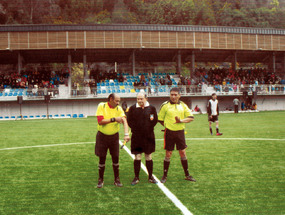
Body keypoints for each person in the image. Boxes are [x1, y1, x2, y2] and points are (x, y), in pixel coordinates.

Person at [158, 87, 196, 183]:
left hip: (180, 132)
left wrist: (181, 121)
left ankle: (187, 175)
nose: (173, 96)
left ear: (179, 95)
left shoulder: (183, 105)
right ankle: (164, 175)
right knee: (168, 153)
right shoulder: (165, 105)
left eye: (175, 95)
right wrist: (167, 126)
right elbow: (160, 119)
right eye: (172, 94)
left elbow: (191, 117)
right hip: (169, 132)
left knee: (182, 152)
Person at [95, 93, 130, 188]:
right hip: (102, 137)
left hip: (114, 137)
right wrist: (114, 119)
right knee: (102, 158)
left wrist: (126, 134)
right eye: (117, 101)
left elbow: (124, 121)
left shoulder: (119, 109)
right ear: (111, 99)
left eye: (119, 101)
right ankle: (100, 179)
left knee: (116, 158)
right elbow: (100, 121)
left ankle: (117, 179)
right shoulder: (102, 106)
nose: (118, 103)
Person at [127, 92, 158, 185]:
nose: (140, 101)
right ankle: (136, 177)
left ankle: (150, 177)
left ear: (146, 98)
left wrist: (148, 128)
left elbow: (154, 120)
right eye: (138, 99)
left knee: (148, 156)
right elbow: (129, 121)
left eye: (141, 99)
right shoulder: (132, 108)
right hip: (137, 136)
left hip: (149, 136)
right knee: (137, 156)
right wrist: (137, 129)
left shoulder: (152, 108)